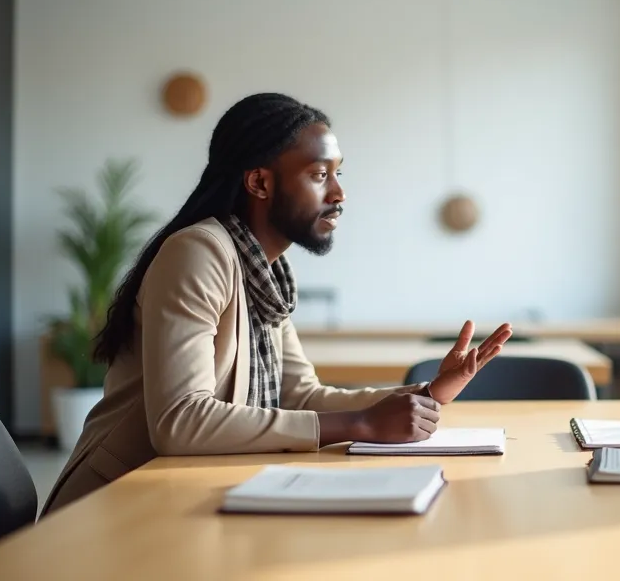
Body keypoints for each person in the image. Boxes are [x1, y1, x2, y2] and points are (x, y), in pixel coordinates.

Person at [41, 93, 512, 516]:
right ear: (260, 183)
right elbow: (179, 422)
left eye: (338, 173)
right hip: (114, 509)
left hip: (186, 495)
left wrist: (427, 396)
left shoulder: (265, 273)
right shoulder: (198, 252)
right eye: (319, 175)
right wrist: (361, 422)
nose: (339, 193)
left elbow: (301, 396)